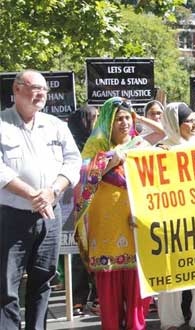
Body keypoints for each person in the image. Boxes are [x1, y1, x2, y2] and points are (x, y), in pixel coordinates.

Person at [0, 70, 81, 329]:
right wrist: (33, 194)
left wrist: (52, 191)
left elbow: (73, 161)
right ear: (17, 89)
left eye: (45, 90)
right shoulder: (2, 124)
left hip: (50, 216)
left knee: (43, 281)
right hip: (11, 217)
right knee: (7, 286)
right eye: (35, 88)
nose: (41, 94)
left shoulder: (56, 125)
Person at [74, 97, 163, 329]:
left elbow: (161, 135)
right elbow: (82, 177)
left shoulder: (140, 146)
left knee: (137, 292)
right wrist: (110, 163)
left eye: (127, 118)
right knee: (110, 292)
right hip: (107, 231)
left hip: (136, 225)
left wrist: (137, 115)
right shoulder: (97, 150)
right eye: (118, 119)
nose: (124, 123)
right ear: (107, 122)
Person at [156, 102, 195, 330]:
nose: (193, 124)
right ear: (174, 124)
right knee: (171, 272)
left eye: (194, 120)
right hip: (172, 220)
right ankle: (171, 320)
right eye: (187, 121)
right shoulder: (160, 150)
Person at [67, 105, 100, 316]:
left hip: (98, 206)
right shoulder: (70, 147)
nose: (99, 122)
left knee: (98, 249)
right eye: (95, 117)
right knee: (78, 252)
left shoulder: (100, 145)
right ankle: (77, 299)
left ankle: (98, 297)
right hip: (75, 206)